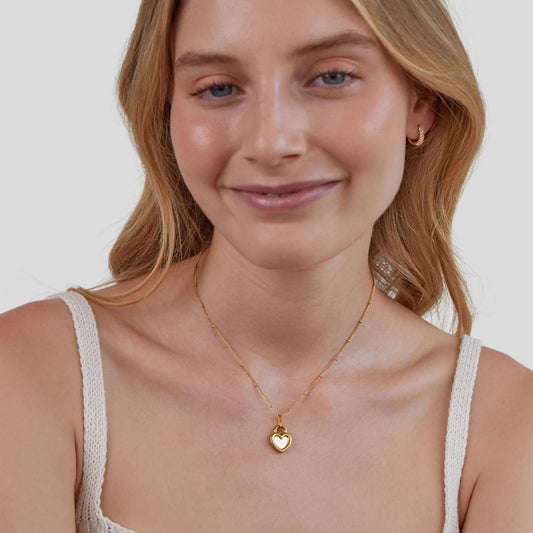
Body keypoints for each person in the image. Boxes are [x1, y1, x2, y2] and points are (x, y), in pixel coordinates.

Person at [1, 0, 532, 531]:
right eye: (218, 88)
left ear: (421, 103)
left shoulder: (507, 422)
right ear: (166, 113)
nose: (271, 143)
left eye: (332, 77)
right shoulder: (34, 370)